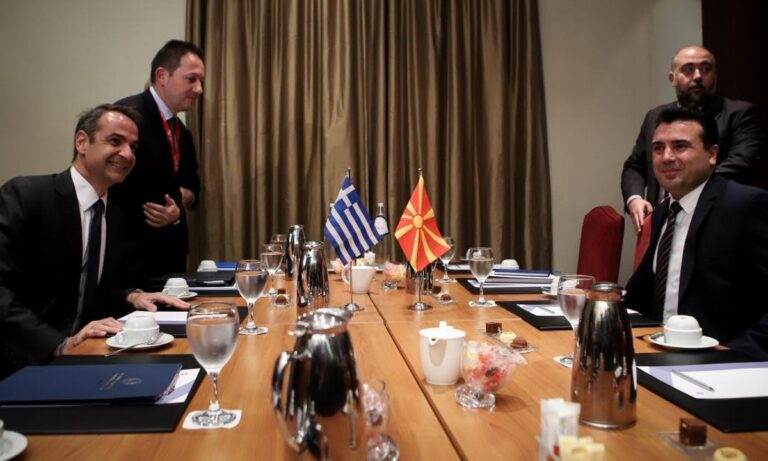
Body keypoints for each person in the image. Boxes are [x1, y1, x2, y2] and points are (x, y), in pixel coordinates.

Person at [0, 104, 189, 378]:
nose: (127, 154)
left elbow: (90, 291)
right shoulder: (26, 196)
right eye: (115, 141)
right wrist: (56, 345)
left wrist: (132, 295)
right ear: (82, 142)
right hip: (21, 364)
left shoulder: (113, 215)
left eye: (133, 147)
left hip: (89, 360)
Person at [625, 107, 768, 359]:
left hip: (721, 363)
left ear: (712, 154)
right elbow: (639, 295)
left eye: (680, 146)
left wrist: (735, 356)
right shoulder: (663, 212)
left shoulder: (744, 206)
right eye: (658, 148)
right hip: (658, 352)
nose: (667, 157)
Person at [621, 45, 763, 233]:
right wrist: (635, 198)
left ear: (716, 75)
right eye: (688, 69)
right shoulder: (655, 117)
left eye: (706, 69)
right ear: (672, 78)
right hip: (658, 223)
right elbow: (635, 165)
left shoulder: (739, 114)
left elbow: (740, 163)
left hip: (714, 221)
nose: (697, 76)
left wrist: (684, 191)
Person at [111, 40, 204, 279]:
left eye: (201, 81)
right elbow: (109, 182)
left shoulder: (182, 132)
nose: (199, 89)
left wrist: (181, 203)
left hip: (171, 259)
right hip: (131, 258)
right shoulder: (127, 115)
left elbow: (193, 185)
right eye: (191, 79)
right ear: (162, 76)